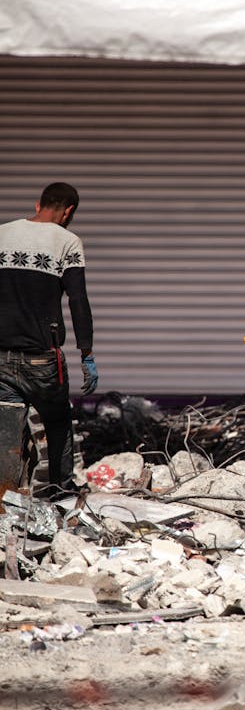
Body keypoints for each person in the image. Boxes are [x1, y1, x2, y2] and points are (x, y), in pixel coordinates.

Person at [0, 182, 98, 496]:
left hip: (1, 357)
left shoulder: (2, 234)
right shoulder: (67, 241)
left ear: (37, 204)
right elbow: (78, 301)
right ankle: (59, 492)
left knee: (7, 428)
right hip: (42, 359)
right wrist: (86, 353)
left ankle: (5, 497)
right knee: (57, 424)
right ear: (68, 212)